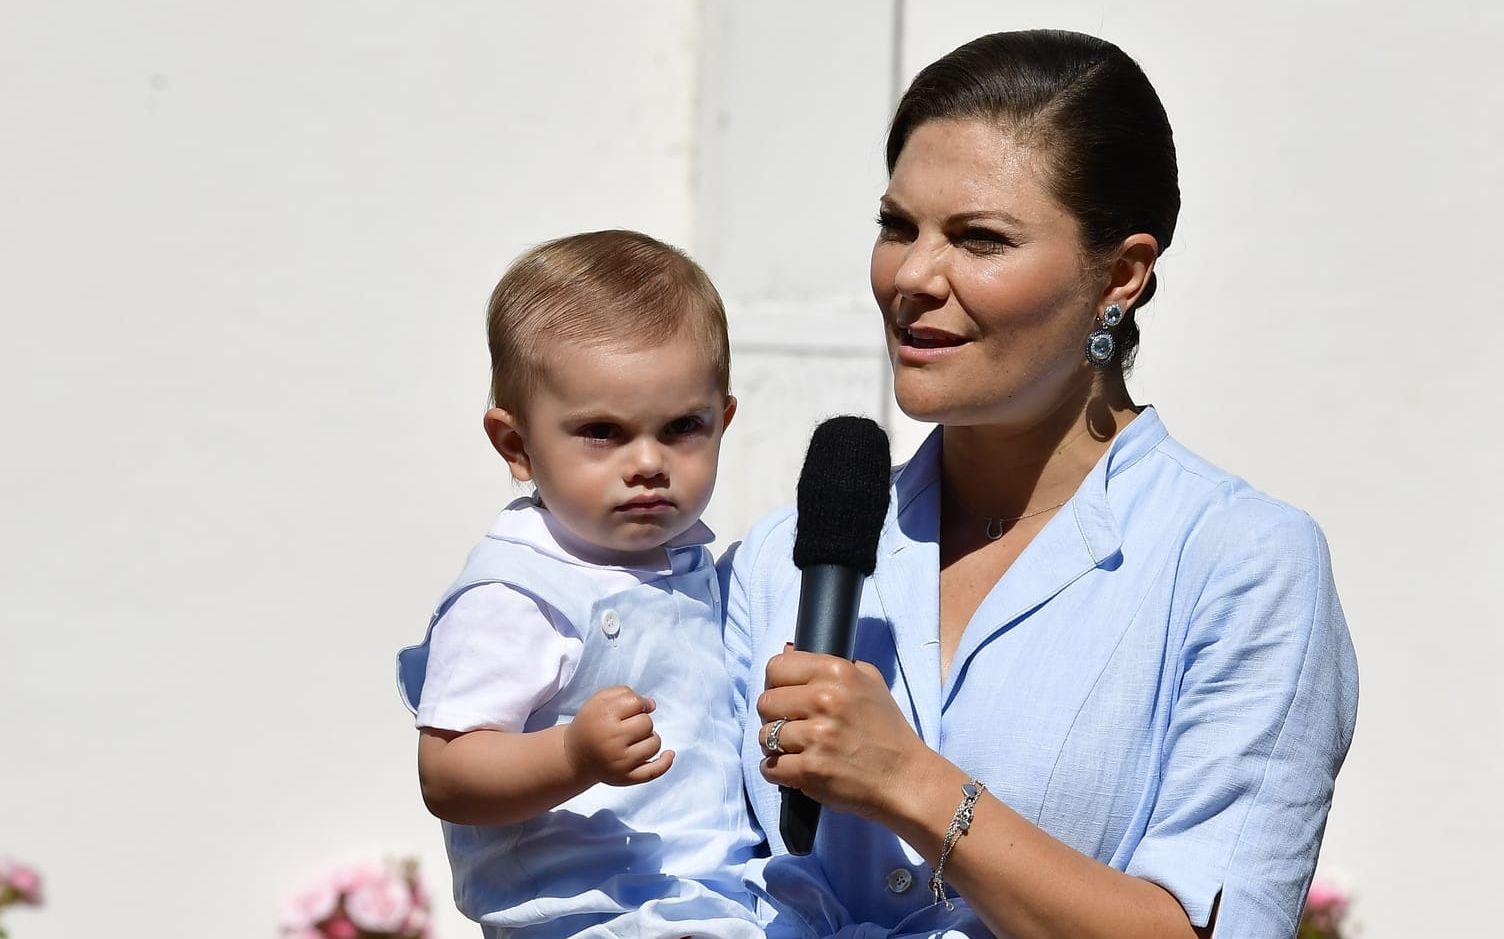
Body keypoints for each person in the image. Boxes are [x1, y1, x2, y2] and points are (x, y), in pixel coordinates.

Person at [725, 30, 1359, 938]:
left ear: (1121, 276)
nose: (911, 275)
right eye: (897, 226)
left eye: (979, 238)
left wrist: (912, 781)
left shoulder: (1238, 562)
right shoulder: (783, 560)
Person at [396, 230, 762, 938]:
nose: (648, 461)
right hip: (588, 917)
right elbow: (447, 772)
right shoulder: (518, 592)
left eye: (684, 426)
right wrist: (570, 754)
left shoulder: (693, 566)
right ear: (517, 445)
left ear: (724, 420)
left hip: (707, 904)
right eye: (602, 431)